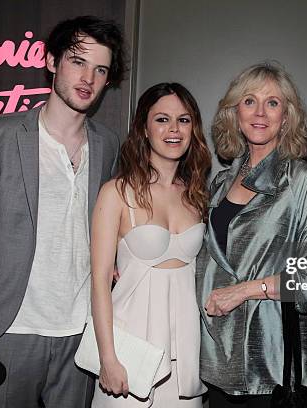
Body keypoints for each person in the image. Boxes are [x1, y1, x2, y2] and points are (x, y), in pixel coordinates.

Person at [0, 16, 126, 407]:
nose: (88, 78)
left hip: (81, 331)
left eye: (100, 69)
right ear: (51, 61)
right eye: (78, 61)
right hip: (11, 330)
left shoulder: (109, 144)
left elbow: (109, 225)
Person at [196, 62, 307, 407]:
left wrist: (244, 291)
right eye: (249, 101)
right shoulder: (218, 184)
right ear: (234, 112)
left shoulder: (304, 181)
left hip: (276, 367)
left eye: (272, 103)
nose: (260, 112)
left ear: (286, 116)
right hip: (218, 361)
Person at [90, 82, 211, 407]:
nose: (174, 129)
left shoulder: (198, 196)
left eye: (183, 120)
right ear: (143, 128)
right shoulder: (116, 192)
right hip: (129, 354)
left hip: (184, 358)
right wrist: (108, 358)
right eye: (162, 119)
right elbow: (100, 282)